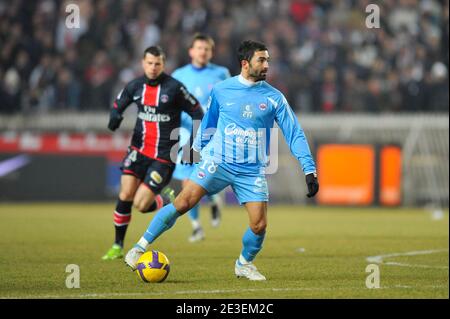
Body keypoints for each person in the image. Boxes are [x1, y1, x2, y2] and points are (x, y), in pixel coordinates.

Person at [124, 40, 319, 281]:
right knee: (184, 201)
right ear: (245, 64)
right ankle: (138, 248)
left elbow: (294, 132)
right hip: (218, 161)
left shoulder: (274, 97)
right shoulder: (222, 90)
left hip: (251, 170)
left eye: (268, 59)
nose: (267, 64)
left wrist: (309, 170)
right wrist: (195, 149)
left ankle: (243, 264)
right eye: (262, 60)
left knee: (259, 226)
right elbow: (209, 123)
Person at [102, 46, 204, 260]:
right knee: (125, 194)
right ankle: (117, 245)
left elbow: (197, 111)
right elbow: (118, 103)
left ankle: (165, 201)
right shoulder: (135, 86)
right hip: (138, 150)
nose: (153, 67)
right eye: (149, 63)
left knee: (140, 205)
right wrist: (115, 116)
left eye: (157, 64)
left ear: (163, 65)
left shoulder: (174, 88)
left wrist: (193, 144)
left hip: (164, 155)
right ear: (143, 63)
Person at [171, 33, 230, 242]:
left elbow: (228, 101)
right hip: (188, 134)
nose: (202, 52)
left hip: (213, 134)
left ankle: (214, 199)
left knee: (208, 177)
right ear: (191, 51)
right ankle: (196, 227)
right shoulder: (179, 75)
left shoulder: (221, 73)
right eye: (199, 48)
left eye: (206, 49)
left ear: (211, 52)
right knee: (187, 183)